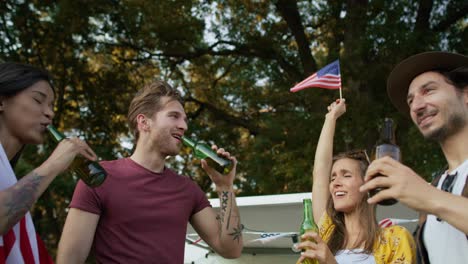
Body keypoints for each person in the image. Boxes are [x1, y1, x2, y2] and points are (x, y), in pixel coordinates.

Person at [56, 80, 243, 263]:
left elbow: (231, 250)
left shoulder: (188, 190)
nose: (184, 126)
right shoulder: (98, 178)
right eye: (174, 116)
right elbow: (69, 260)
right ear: (144, 122)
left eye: (184, 120)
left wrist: (224, 186)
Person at [360, 51, 468, 264]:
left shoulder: (428, 195)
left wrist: (428, 197)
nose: (417, 106)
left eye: (428, 90)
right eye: (411, 101)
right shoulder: (435, 188)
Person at [0, 62, 98, 263]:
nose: (49, 113)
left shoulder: (9, 179)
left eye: (52, 106)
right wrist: (54, 164)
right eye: (38, 100)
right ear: (2, 101)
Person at [296, 99, 416, 264]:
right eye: (333, 177)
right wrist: (331, 118)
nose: (336, 183)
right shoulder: (325, 234)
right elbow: (319, 175)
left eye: (346, 175)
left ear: (368, 184)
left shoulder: (395, 239)